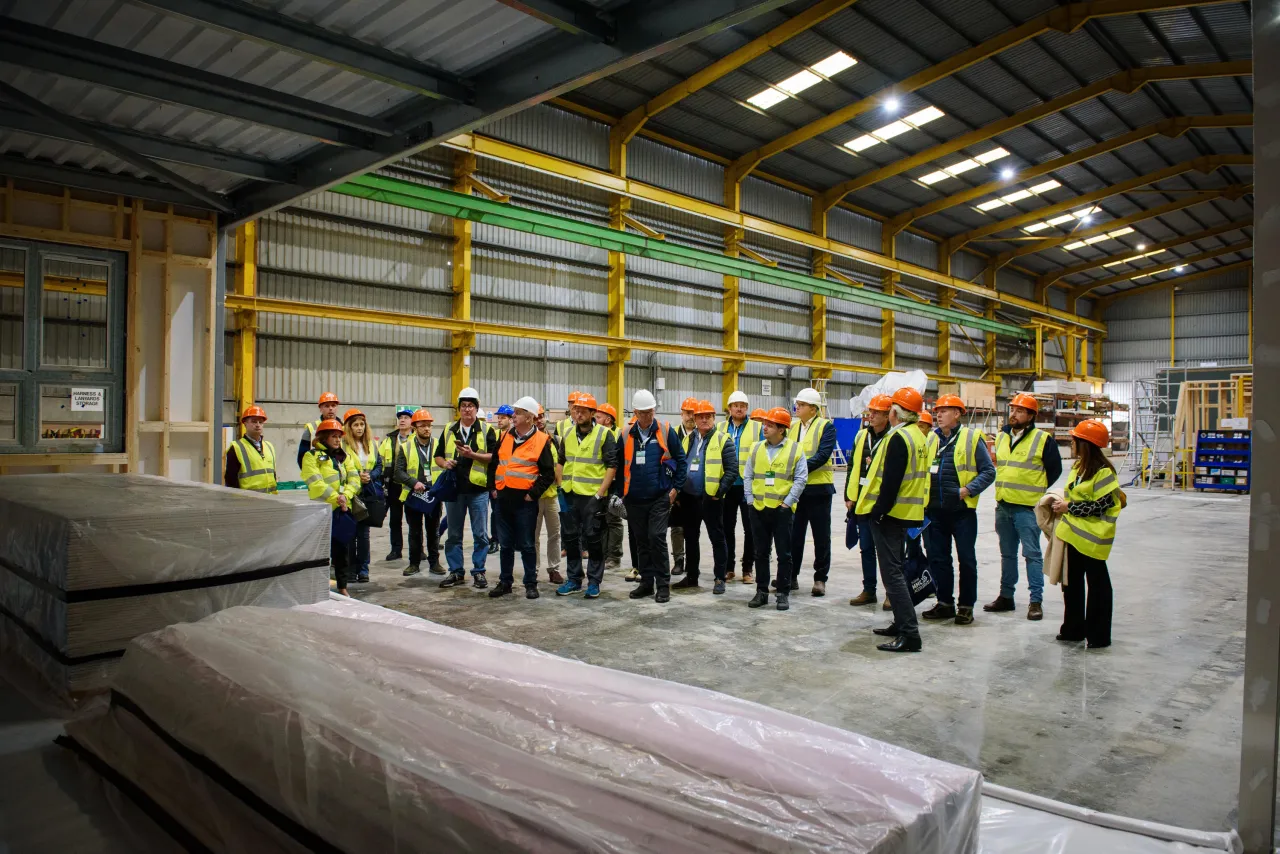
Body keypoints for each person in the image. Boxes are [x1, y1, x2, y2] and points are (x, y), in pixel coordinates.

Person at [855, 387, 930, 653]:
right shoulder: (918, 436)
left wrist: (878, 512)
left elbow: (891, 482)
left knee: (893, 575)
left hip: (890, 515)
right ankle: (900, 623)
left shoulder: (898, 438)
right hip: (905, 513)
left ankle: (910, 634)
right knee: (896, 570)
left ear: (896, 412)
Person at [921, 395, 996, 626]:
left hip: (961, 512)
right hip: (934, 511)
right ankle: (945, 603)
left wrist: (968, 490)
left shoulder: (972, 438)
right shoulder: (931, 439)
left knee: (966, 559)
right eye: (937, 411)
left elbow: (988, 471)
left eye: (944, 410)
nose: (938, 414)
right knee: (938, 559)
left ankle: (965, 606)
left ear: (957, 413)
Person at [987, 392, 1062, 621]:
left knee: (1032, 554)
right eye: (1013, 409)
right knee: (1007, 554)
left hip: (1028, 509)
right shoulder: (1002, 437)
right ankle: (1006, 596)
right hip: (1004, 505)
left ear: (1031, 416)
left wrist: (1036, 488)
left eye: (1020, 411)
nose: (1014, 414)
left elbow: (1055, 469)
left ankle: (1035, 601)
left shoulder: (1042, 439)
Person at [1052, 420, 1121, 649]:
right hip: (1073, 535)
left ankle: (1098, 636)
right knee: (1071, 586)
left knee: (1098, 587)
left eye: (1075, 440)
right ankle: (1073, 630)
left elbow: (1100, 505)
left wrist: (1068, 507)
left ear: (1086, 443)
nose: (1072, 443)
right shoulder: (1079, 467)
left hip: (1093, 540)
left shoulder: (1104, 472)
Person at [614, 390, 686, 604]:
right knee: (641, 541)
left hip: (659, 498)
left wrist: (675, 489)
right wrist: (620, 494)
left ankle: (663, 585)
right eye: (643, 413)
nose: (648, 416)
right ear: (635, 412)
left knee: (656, 537)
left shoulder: (665, 430)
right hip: (634, 499)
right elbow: (618, 466)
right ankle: (646, 583)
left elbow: (681, 460)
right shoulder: (626, 434)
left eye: (651, 411)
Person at [488, 397, 556, 600]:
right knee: (506, 544)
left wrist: (532, 494)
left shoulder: (542, 440)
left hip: (524, 502)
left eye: (517, 413)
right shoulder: (505, 436)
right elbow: (494, 462)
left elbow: (548, 474)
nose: (513, 416)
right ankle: (505, 581)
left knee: (527, 544)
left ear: (529, 417)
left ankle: (530, 583)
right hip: (503, 498)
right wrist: (492, 488)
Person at [555, 394, 617, 599]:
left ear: (592, 413)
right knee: (571, 539)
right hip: (570, 494)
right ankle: (573, 579)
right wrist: (560, 487)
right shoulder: (569, 434)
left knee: (593, 539)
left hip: (593, 497)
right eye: (576, 410)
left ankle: (594, 581)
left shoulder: (604, 434)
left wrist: (600, 494)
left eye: (583, 410)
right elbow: (561, 461)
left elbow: (611, 466)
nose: (578, 413)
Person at [744, 407, 807, 611]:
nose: (765, 427)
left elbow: (800, 479)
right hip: (759, 509)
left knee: (784, 554)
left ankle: (782, 593)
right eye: (765, 424)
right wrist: (750, 500)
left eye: (770, 425)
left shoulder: (795, 450)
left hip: (782, 510)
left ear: (782, 429)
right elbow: (748, 475)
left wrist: (788, 502)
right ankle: (761, 591)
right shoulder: (756, 448)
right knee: (761, 552)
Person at [434, 387, 497, 589]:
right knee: (453, 534)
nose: (467, 410)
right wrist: (445, 464)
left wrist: (473, 455)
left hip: (478, 491)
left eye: (470, 406)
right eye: (463, 406)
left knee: (480, 534)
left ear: (476, 409)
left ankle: (479, 571)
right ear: (459, 409)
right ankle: (456, 571)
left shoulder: (487, 431)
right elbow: (438, 456)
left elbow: (494, 458)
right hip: (455, 491)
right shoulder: (449, 429)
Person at [673, 400, 737, 594]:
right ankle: (692, 576)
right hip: (689, 499)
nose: (704, 420)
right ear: (695, 418)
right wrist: (678, 491)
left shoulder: (723, 439)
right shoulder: (687, 439)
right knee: (691, 538)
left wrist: (719, 492)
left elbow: (732, 470)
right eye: (700, 416)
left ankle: (719, 578)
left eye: (708, 416)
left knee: (717, 538)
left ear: (713, 417)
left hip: (711, 499)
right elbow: (680, 466)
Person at [786, 388, 837, 597]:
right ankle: (791, 576)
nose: (798, 407)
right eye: (798, 403)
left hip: (819, 490)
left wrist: (799, 468)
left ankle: (820, 579)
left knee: (821, 537)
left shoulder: (826, 427)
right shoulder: (793, 427)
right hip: (798, 490)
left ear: (814, 409)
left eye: (802, 404)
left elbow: (823, 455)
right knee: (794, 536)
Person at [301, 418, 360, 596]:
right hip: (322, 511)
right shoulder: (311, 456)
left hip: (342, 511)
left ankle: (343, 587)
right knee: (321, 550)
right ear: (324, 438)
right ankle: (319, 586)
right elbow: (315, 482)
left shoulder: (345, 457)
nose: (337, 440)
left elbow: (354, 479)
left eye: (339, 436)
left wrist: (346, 496)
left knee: (342, 550)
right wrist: (336, 497)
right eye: (333, 436)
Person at [846, 394, 892, 607]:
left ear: (887, 415)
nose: (870, 416)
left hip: (885, 505)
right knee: (866, 548)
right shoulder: (861, 436)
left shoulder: (894, 437)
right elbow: (852, 467)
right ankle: (869, 589)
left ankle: (892, 592)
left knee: (888, 552)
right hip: (862, 503)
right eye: (870, 412)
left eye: (875, 412)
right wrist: (849, 495)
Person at [716, 391, 759, 584]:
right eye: (735, 405)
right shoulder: (720, 428)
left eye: (742, 405)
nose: (739, 408)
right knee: (727, 528)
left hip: (748, 486)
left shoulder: (757, 428)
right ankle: (729, 567)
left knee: (751, 529)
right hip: (727, 485)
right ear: (729, 408)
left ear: (747, 408)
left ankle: (748, 568)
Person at [392, 409, 440, 577]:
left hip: (433, 494)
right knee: (415, 531)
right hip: (414, 495)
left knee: (433, 530)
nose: (427, 429)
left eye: (429, 425)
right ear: (415, 427)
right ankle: (414, 563)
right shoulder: (406, 447)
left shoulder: (437, 444)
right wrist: (414, 483)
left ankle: (435, 563)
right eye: (423, 426)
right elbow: (398, 472)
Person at [342, 408, 381, 583]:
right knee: (350, 534)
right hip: (350, 493)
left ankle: (363, 570)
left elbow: (379, 466)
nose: (360, 428)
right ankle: (350, 570)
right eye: (356, 425)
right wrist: (356, 477)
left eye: (362, 424)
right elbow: (339, 468)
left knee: (364, 535)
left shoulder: (372, 444)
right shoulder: (343, 445)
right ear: (349, 427)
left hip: (367, 494)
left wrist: (370, 476)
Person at [532, 405, 566, 585]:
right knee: (533, 535)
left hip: (552, 495)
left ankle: (554, 569)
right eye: (535, 417)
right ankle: (534, 569)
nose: (539, 420)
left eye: (541, 417)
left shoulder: (555, 440)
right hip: (534, 497)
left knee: (555, 534)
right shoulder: (528, 440)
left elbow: (561, 465)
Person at [379, 405, 416, 561]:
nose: (402, 420)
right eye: (400, 417)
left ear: (412, 422)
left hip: (411, 485)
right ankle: (396, 549)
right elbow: (379, 460)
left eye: (406, 417)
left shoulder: (417, 439)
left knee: (414, 521)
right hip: (394, 486)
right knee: (395, 520)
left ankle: (417, 551)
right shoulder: (389, 440)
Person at [669, 397, 699, 577]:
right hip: (676, 488)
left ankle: (692, 563)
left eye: (694, 413)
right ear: (681, 414)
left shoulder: (702, 435)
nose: (691, 417)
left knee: (693, 529)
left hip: (695, 490)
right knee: (677, 527)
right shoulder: (672, 433)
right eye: (688, 413)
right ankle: (678, 560)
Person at [595, 403, 625, 571]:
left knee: (614, 520)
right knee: (603, 520)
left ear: (608, 419)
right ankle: (605, 554)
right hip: (601, 483)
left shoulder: (619, 434)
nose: (596, 420)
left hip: (615, 485)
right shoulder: (597, 434)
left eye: (598, 417)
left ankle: (614, 556)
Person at [224, 405, 277, 493]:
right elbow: (231, 480)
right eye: (254, 421)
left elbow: (273, 474)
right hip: (248, 502)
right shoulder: (236, 447)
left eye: (260, 422)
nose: (257, 425)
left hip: (270, 499)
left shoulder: (269, 446)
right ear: (245, 423)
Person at [298, 392, 341, 468]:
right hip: (319, 474)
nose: (330, 408)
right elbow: (302, 458)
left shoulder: (344, 427)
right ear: (320, 408)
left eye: (333, 405)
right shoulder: (311, 428)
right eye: (326, 406)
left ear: (337, 408)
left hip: (341, 474)